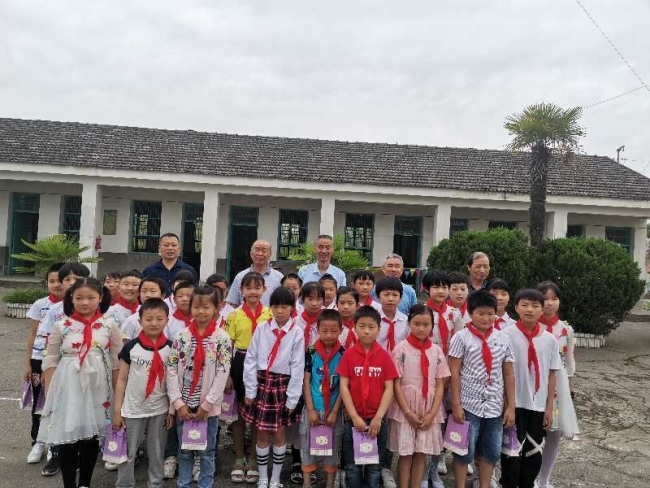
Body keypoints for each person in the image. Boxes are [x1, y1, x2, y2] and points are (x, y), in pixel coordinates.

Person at [38, 277, 121, 488]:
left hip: (98, 386)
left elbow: (116, 361)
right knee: (69, 434)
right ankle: (69, 484)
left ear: (100, 298)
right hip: (69, 386)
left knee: (91, 436)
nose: (85, 302)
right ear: (71, 298)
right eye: (79, 298)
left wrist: (118, 396)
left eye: (91, 297)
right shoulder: (61, 325)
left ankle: (85, 482)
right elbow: (51, 359)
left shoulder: (109, 324)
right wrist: (50, 392)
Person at [448, 291, 516, 488]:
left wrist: (511, 406)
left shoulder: (503, 338)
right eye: (481, 313)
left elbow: (509, 374)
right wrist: (456, 405)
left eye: (490, 314)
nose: (486, 318)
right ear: (470, 313)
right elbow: (454, 372)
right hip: (468, 405)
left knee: (491, 451)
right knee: (463, 450)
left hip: (494, 406)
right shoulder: (461, 337)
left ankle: (484, 484)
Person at [167, 286, 232, 488]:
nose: (201, 312)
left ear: (216, 309)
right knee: (184, 451)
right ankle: (183, 484)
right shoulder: (181, 336)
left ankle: (205, 484)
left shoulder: (222, 338)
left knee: (207, 452)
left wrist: (208, 404)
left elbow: (222, 373)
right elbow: (171, 369)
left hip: (207, 408)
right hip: (184, 406)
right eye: (196, 307)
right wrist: (178, 403)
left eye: (206, 307)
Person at [242, 287, 305, 488]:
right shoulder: (262, 329)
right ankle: (263, 477)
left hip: (282, 386)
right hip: (262, 383)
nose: (279, 311)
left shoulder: (296, 333)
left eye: (284, 306)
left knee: (279, 433)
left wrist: (292, 399)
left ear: (292, 308)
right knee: (261, 432)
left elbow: (298, 366)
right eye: (276, 306)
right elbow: (251, 359)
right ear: (271, 308)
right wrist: (250, 390)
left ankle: (275, 478)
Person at [34, 262, 91, 477]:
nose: (71, 283)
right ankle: (56, 454)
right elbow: (47, 345)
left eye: (76, 278)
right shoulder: (55, 312)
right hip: (60, 370)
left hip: (88, 370)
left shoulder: (96, 308)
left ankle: (81, 454)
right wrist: (46, 372)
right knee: (59, 412)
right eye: (67, 279)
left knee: (82, 412)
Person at [501, 289, 561, 488]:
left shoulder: (550, 340)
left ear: (542, 310)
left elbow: (551, 375)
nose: (530, 310)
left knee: (534, 453)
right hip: (515, 404)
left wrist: (549, 408)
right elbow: (503, 372)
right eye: (525, 305)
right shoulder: (506, 335)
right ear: (516, 308)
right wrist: (507, 405)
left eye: (535, 306)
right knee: (511, 453)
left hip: (538, 405)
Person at [113, 298, 175, 488]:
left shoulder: (171, 348)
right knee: (128, 451)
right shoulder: (131, 347)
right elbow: (121, 379)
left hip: (160, 409)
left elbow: (174, 382)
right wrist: (117, 410)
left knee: (157, 451)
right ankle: (124, 483)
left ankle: (155, 483)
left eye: (159, 319)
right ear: (140, 321)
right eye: (148, 319)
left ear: (167, 321)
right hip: (133, 409)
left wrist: (171, 410)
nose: (154, 323)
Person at [337, 305, 399, 488]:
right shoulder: (348, 355)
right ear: (354, 328)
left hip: (377, 422)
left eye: (371, 327)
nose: (366, 331)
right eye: (362, 326)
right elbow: (344, 386)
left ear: (379, 329)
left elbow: (389, 388)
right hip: (352, 420)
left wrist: (378, 417)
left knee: (374, 467)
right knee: (352, 467)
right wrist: (354, 416)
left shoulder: (385, 357)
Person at [388, 304, 449, 488]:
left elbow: (440, 384)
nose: (421, 328)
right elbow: (396, 383)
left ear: (432, 325)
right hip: (405, 407)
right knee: (405, 454)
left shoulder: (437, 351)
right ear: (409, 323)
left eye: (426, 324)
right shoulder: (401, 349)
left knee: (421, 453)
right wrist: (407, 412)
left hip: (429, 407)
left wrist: (432, 414)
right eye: (417, 324)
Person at [226, 272, 273, 484]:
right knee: (238, 414)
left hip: (263, 365)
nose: (253, 291)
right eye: (248, 287)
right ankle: (239, 458)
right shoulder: (234, 315)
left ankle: (253, 458)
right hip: (240, 362)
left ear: (264, 289)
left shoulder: (270, 314)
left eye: (257, 287)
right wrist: (227, 375)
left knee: (257, 413)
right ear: (241, 290)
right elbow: (227, 346)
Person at [536, 281, 580, 488]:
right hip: (534, 386)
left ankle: (544, 480)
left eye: (554, 298)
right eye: (545, 299)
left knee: (554, 436)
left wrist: (568, 390)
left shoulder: (566, 330)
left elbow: (569, 362)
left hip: (558, 389)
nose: (550, 303)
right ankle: (529, 478)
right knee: (532, 436)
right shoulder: (530, 326)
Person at [24, 263, 64, 467]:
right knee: (39, 403)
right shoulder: (41, 304)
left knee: (59, 403)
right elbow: (32, 334)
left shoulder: (74, 305)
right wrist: (27, 363)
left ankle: (54, 444)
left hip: (60, 360)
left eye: (60, 280)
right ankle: (38, 443)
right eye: (51, 281)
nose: (56, 284)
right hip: (39, 358)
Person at [300, 309, 346, 488]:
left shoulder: (343, 353)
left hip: (334, 410)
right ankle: (306, 483)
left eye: (334, 331)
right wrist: (310, 409)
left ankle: (329, 483)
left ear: (341, 330)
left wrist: (335, 412)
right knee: (307, 446)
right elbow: (306, 380)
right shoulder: (311, 351)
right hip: (313, 407)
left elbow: (344, 386)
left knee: (333, 448)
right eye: (324, 330)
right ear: (317, 329)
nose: (328, 335)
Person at [226, 239, 284, 307]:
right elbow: (232, 303)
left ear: (270, 254)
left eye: (264, 251)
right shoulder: (240, 276)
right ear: (251, 253)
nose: (260, 253)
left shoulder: (279, 277)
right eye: (257, 250)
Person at [422, 270, 465, 356]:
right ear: (427, 289)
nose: (441, 291)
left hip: (449, 357)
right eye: (436, 287)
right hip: (425, 356)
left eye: (444, 287)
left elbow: (459, 339)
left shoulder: (454, 313)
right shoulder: (421, 312)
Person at [120, 276, 167, 343]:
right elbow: (124, 343)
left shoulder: (170, 319)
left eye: (153, 291)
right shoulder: (131, 320)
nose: (148, 295)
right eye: (144, 291)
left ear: (162, 295)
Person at [376, 277, 409, 353]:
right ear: (378, 297)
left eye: (395, 295)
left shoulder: (406, 321)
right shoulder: (372, 319)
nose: (390, 299)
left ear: (400, 298)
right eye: (386, 294)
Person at [295, 282, 326, 350]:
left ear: (323, 300)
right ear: (303, 299)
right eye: (310, 299)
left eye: (318, 299)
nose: (314, 303)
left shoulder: (326, 321)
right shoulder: (296, 321)